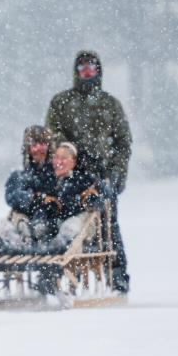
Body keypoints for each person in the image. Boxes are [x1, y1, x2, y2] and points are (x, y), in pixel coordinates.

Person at [45, 50, 132, 294]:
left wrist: (117, 174)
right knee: (59, 222)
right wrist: (73, 153)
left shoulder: (110, 104)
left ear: (98, 71)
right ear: (76, 71)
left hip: (101, 176)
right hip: (71, 175)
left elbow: (123, 143)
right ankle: (51, 275)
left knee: (108, 226)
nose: (87, 73)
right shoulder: (61, 102)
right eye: (82, 68)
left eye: (91, 68)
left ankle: (118, 277)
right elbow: (53, 134)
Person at [0, 125, 57, 253]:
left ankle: (36, 236)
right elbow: (11, 197)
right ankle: (21, 239)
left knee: (43, 220)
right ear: (28, 149)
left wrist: (44, 200)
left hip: (48, 220)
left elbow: (59, 195)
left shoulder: (55, 172)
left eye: (43, 144)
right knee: (11, 220)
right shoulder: (19, 174)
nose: (39, 149)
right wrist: (32, 197)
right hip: (24, 218)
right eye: (35, 145)